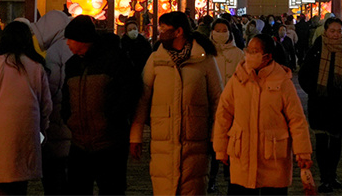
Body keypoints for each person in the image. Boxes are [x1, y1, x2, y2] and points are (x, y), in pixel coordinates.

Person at [129, 11, 223, 195]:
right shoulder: (156, 60)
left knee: (192, 187)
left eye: (164, 29)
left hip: (196, 139)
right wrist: (135, 136)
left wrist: (217, 136)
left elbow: (217, 100)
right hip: (163, 140)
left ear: (178, 31)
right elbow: (143, 100)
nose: (160, 34)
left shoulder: (203, 60)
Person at [213, 34, 313, 195]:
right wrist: (220, 148)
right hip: (242, 153)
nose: (250, 55)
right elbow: (223, 113)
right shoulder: (238, 78)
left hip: (273, 155)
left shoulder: (281, 80)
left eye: (255, 51)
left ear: (267, 56)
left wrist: (303, 152)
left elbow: (296, 119)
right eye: (249, 50)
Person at [0, 21, 53, 196]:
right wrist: (41, 127)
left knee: (0, 182)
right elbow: (46, 105)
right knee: (20, 183)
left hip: (0, 132)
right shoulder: (37, 66)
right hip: (27, 131)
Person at [62, 15, 140, 195]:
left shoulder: (114, 59)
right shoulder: (72, 65)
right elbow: (66, 97)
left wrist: (112, 118)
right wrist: (68, 118)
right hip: (79, 142)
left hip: (110, 143)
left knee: (112, 189)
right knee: (77, 188)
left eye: (70, 39)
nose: (67, 44)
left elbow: (130, 91)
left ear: (82, 40)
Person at [298, 16, 342, 193]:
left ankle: (332, 175)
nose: (335, 34)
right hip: (320, 102)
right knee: (321, 141)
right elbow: (305, 74)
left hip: (340, 104)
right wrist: (314, 89)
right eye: (332, 31)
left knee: (336, 141)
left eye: (338, 31)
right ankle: (325, 177)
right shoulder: (317, 48)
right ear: (325, 31)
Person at [29, 9, 73, 196]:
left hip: (58, 120)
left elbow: (52, 87)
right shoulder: (70, 45)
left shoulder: (56, 50)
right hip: (72, 121)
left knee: (54, 173)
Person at [208, 16, 245, 192]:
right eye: (218, 31)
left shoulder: (238, 54)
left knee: (231, 143)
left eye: (224, 31)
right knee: (213, 143)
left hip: (233, 106)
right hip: (211, 105)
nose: (221, 34)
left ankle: (232, 178)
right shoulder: (204, 53)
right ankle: (211, 179)